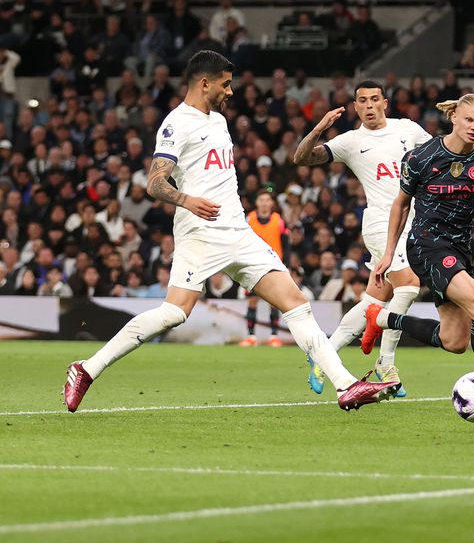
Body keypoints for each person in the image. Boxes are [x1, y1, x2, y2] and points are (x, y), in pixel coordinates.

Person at [63, 50, 393, 413]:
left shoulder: (218, 121)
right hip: (201, 232)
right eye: (226, 84)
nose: (231, 92)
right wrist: (187, 200)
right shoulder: (177, 123)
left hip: (238, 230)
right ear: (204, 83)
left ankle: (345, 385)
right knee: (175, 313)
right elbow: (155, 183)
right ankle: (87, 368)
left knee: (296, 303)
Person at [359, 93, 474, 412]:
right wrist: (387, 253)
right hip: (425, 245)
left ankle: (382, 318)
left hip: (459, 250)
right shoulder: (421, 157)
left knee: (454, 342)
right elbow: (400, 205)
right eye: (469, 120)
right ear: (454, 117)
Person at [292, 80, 432, 397]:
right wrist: (319, 128)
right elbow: (301, 158)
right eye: (362, 101)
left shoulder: (407, 129)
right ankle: (386, 362)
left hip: (413, 222)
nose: (368, 105)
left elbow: (438, 158)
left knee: (374, 300)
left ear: (385, 102)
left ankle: (323, 355)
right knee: (408, 286)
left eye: (373, 99)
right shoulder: (351, 141)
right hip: (381, 224)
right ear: (355, 107)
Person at [243, 188, 288, 347]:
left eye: (267, 200)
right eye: (261, 200)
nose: (264, 203)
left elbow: (285, 244)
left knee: (274, 302)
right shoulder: (249, 219)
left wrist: (287, 265)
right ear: (256, 202)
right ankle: (251, 336)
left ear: (272, 203)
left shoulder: (278, 220)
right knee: (252, 301)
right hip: (253, 264)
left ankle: (273, 336)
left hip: (274, 265)